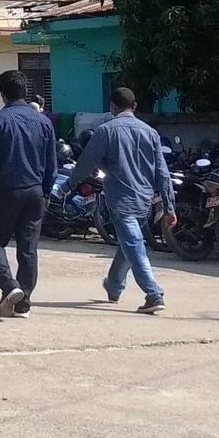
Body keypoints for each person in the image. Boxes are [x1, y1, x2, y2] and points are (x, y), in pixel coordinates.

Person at [57, 86, 175, 314]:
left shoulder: (105, 131)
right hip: (144, 200)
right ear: (135, 106)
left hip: (120, 199)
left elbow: (86, 163)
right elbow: (162, 172)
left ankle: (153, 293)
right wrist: (169, 206)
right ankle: (113, 285)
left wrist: (66, 187)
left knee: (133, 244)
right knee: (129, 243)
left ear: (112, 106)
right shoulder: (150, 132)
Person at [0, 70, 58, 318]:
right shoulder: (44, 122)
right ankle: (23, 303)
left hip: (5, 192)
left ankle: (10, 286)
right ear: (24, 91)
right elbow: (52, 163)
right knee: (28, 248)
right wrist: (47, 192)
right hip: (35, 192)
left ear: (2, 93)